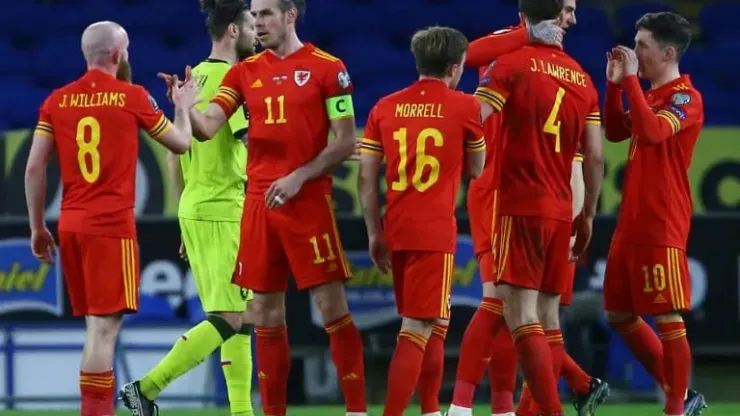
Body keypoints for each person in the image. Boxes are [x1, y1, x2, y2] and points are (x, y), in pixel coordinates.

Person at [164, 1, 367, 415]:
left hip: (307, 200)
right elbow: (207, 129)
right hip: (259, 203)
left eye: (267, 14)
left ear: (291, 16)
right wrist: (184, 107)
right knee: (263, 312)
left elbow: (346, 141)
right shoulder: (243, 73)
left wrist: (299, 176)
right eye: (254, 15)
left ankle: (357, 409)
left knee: (331, 306)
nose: (258, 23)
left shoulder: (329, 68)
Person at [24, 21, 195, 416]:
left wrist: (37, 227)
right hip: (111, 227)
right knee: (104, 330)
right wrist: (183, 106)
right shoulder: (132, 96)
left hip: (71, 224)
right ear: (118, 54)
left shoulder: (56, 100)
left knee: (94, 328)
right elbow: (182, 143)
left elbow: (34, 168)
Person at [451, 1, 607, 415]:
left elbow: (472, 115)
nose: (572, 19)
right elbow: (594, 157)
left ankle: (489, 407)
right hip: (548, 202)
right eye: (567, 9)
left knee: (514, 311)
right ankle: (508, 405)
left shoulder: (513, 65)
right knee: (534, 314)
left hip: (518, 198)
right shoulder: (579, 76)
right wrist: (586, 213)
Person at [119, 1, 257, 415]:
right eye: (251, 25)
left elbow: (172, 154)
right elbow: (253, 145)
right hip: (222, 207)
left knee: (239, 314)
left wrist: (184, 213)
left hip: (198, 205)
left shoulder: (193, 78)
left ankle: (242, 411)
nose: (257, 34)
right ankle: (146, 389)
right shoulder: (235, 79)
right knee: (231, 317)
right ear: (233, 30)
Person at [358, 26, 485, 416]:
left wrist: (374, 232)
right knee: (417, 327)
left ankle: (430, 410)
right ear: (454, 67)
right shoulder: (465, 107)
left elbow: (366, 178)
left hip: (395, 228)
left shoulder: (384, 107)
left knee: (436, 321)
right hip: (433, 230)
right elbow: (477, 169)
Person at [603, 11, 707, 416]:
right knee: (618, 313)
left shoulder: (685, 98)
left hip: (661, 221)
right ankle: (678, 391)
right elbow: (616, 131)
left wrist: (630, 81)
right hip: (631, 221)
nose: (634, 53)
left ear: (668, 53)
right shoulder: (647, 96)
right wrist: (615, 87)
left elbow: (651, 133)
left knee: (666, 315)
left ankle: (674, 407)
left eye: (641, 46)